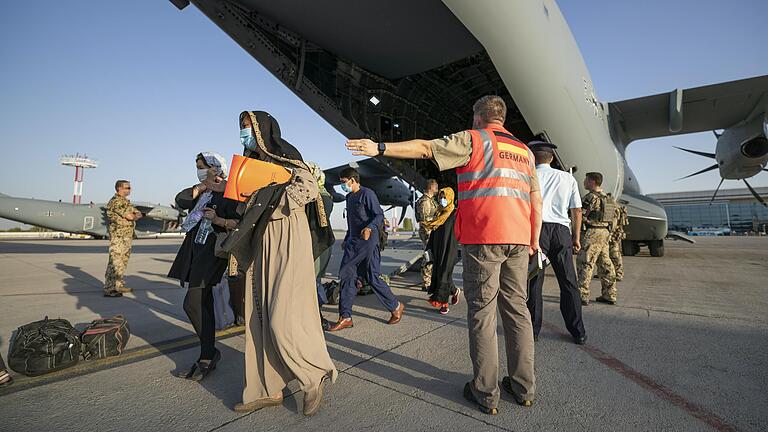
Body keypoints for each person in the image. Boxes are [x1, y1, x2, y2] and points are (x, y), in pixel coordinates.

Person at [345, 95, 543, 413]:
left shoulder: (475, 139)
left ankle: (486, 392)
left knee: (482, 314)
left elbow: (426, 148)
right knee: (518, 312)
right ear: (502, 118)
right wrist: (533, 239)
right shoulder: (523, 151)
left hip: (485, 239)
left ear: (479, 117)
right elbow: (535, 199)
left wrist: (379, 148)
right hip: (519, 241)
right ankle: (524, 387)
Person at [232, 111, 336, 416]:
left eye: (248, 128)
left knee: (281, 316)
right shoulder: (250, 165)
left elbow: (309, 188)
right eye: (241, 129)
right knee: (258, 317)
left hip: (287, 237)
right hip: (262, 242)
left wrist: (274, 200)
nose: (244, 134)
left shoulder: (286, 158)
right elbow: (245, 208)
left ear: (263, 130)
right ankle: (266, 389)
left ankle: (312, 375)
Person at [168, 152, 240, 381]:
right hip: (194, 252)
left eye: (202, 166)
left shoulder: (229, 191)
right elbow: (181, 199)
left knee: (192, 303)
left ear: (215, 167)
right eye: (198, 167)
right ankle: (207, 354)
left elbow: (240, 221)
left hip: (213, 253)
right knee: (202, 302)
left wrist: (218, 220)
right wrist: (201, 186)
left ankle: (209, 353)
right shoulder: (202, 192)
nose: (199, 170)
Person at [326, 167, 405, 331]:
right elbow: (352, 222)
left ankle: (395, 306)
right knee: (348, 275)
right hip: (354, 243)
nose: (342, 186)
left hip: (368, 241)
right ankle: (346, 316)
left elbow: (378, 215)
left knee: (371, 276)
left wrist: (369, 228)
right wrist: (347, 238)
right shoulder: (349, 197)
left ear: (353, 180)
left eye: (343, 182)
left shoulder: (367, 194)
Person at [525, 142, 587, 345]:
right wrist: (576, 238)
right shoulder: (567, 178)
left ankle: (533, 331)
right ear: (552, 158)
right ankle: (578, 331)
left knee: (535, 282)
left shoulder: (527, 176)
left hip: (536, 231)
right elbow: (576, 210)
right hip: (561, 233)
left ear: (533, 158)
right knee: (569, 282)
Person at [576, 172, 618, 305]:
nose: (584, 182)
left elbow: (579, 215)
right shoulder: (609, 199)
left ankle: (582, 294)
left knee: (585, 263)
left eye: (586, 180)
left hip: (592, 233)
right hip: (604, 233)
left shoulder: (590, 198)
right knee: (605, 263)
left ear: (592, 182)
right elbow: (614, 219)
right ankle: (609, 294)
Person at [307, 161, 336, 331]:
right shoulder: (315, 196)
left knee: (314, 283)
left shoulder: (322, 198)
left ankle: (318, 317)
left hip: (317, 247)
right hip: (313, 246)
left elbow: (313, 222)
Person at [424, 187, 461, 315]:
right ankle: (454, 291)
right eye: (440, 198)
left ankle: (443, 303)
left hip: (450, 249)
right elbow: (434, 232)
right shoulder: (439, 214)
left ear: (450, 198)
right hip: (438, 247)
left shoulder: (455, 213)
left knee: (444, 272)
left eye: (444, 198)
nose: (442, 200)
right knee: (441, 272)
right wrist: (429, 249)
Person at [103, 180, 142, 297]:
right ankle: (109, 288)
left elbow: (138, 213)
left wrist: (135, 215)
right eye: (127, 188)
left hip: (126, 236)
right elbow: (131, 216)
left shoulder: (126, 202)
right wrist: (134, 216)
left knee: (123, 262)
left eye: (130, 187)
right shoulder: (116, 202)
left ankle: (118, 285)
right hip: (118, 236)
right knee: (115, 262)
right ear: (119, 188)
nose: (129, 190)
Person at [415, 179, 439, 290]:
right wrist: (429, 234)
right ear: (431, 187)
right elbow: (424, 221)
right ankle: (426, 282)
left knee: (431, 256)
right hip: (427, 232)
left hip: (432, 231)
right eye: (435, 187)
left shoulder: (431, 200)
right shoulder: (424, 201)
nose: (437, 189)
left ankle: (429, 279)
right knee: (428, 256)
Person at [608, 201, 629, 281]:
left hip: (614, 234)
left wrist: (611, 233)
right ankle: (608, 272)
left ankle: (618, 273)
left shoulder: (614, 208)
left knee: (615, 253)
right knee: (607, 254)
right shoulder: (615, 206)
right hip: (613, 233)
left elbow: (614, 223)